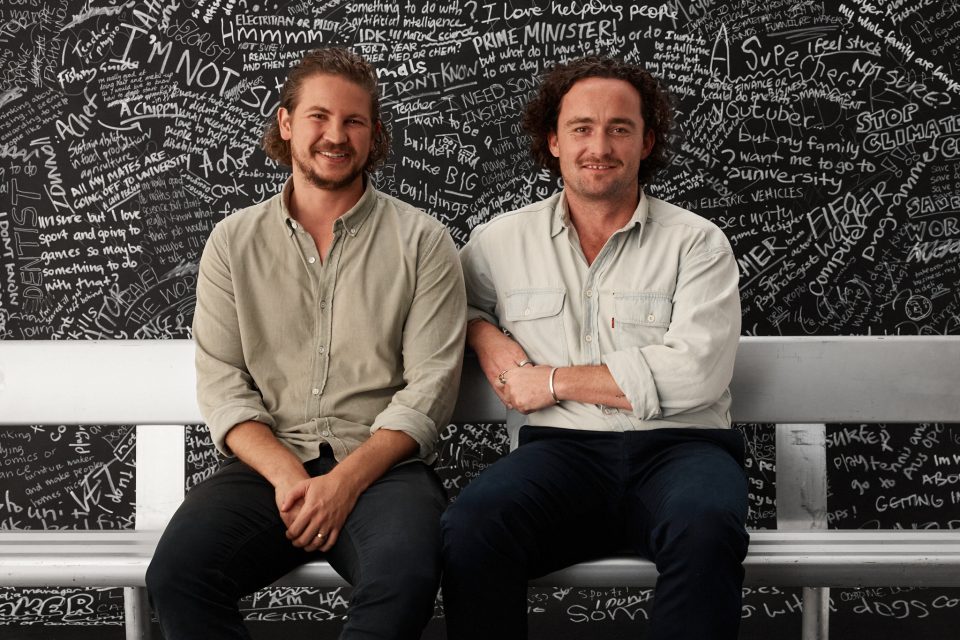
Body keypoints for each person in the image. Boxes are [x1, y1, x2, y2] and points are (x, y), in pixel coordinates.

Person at [146, 47, 466, 640]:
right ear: (287, 123)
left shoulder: (423, 241)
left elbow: (432, 387)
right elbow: (222, 381)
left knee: (405, 578)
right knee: (178, 575)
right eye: (319, 117)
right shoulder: (233, 242)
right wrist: (292, 480)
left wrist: (342, 483)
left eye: (354, 121)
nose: (335, 135)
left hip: (381, 466)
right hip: (267, 465)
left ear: (374, 136)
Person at [442, 56, 747, 640]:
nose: (598, 145)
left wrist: (553, 381)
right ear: (553, 140)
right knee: (472, 525)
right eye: (581, 128)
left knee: (707, 525)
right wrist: (482, 332)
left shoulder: (698, 244)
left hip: (683, 451)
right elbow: (448, 306)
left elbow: (696, 375)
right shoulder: (499, 241)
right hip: (557, 454)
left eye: (619, 128)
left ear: (646, 141)